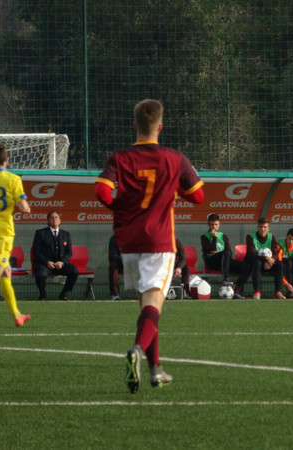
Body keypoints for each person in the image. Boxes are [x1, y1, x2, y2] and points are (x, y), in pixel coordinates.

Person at [95, 99, 205, 393]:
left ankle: (156, 370)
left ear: (135, 125)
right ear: (160, 126)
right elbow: (198, 197)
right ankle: (137, 352)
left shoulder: (118, 157)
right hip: (159, 241)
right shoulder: (174, 158)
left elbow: (102, 191)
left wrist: (120, 209)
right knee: (154, 304)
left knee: (146, 305)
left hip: (129, 241)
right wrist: (173, 186)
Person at [0, 144, 31, 326]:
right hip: (3, 233)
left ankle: (17, 315)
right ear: (6, 159)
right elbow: (23, 207)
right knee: (1, 269)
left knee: (6, 273)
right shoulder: (13, 179)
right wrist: (26, 207)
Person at [201, 213, 251, 299]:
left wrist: (221, 252)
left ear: (219, 224)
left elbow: (229, 251)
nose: (214, 227)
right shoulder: (204, 237)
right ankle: (225, 279)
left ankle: (237, 291)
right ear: (208, 224)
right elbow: (211, 250)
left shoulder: (223, 236)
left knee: (247, 267)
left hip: (225, 260)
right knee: (225, 253)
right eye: (212, 225)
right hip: (213, 262)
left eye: (216, 225)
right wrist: (214, 237)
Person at [32, 210, 79, 300]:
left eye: (56, 217)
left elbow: (69, 252)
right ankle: (42, 295)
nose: (54, 219)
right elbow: (36, 251)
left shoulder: (66, 234)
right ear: (48, 220)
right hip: (45, 264)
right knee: (40, 274)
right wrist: (47, 262)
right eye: (52, 218)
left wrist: (62, 262)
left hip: (60, 264)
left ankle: (64, 294)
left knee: (74, 271)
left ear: (60, 220)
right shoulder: (40, 233)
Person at [245, 217, 285, 299]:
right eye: (261, 227)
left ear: (268, 229)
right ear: (257, 227)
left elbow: (275, 252)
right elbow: (251, 254)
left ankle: (278, 291)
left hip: (268, 262)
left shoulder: (271, 237)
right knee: (257, 263)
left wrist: (271, 261)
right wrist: (266, 258)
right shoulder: (250, 237)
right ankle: (257, 292)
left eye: (265, 227)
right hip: (254, 261)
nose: (262, 229)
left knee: (280, 264)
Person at [108, 234, 123, 300]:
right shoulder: (115, 238)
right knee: (113, 265)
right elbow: (112, 256)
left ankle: (145, 292)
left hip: (135, 263)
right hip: (122, 263)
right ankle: (114, 294)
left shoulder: (135, 237)